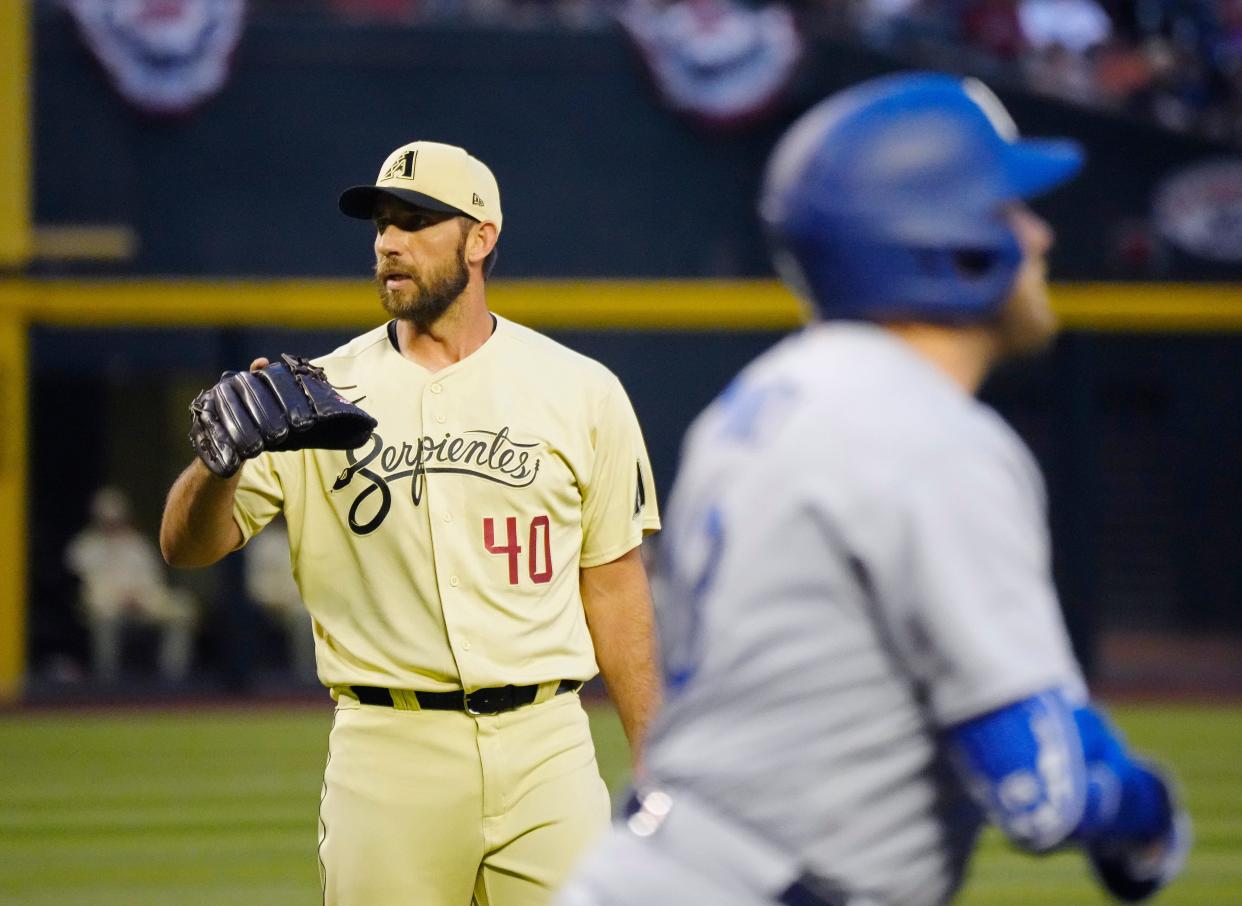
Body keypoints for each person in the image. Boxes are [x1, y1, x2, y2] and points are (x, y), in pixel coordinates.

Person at [557, 73, 1189, 906]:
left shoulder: (761, 400)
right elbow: (1045, 791)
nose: (1037, 237)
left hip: (653, 870)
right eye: (1007, 213)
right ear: (944, 241)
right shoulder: (930, 438)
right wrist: (1147, 812)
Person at [159, 140, 662, 905]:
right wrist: (215, 468)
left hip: (547, 746)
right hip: (389, 750)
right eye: (381, 224)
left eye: (418, 221)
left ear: (481, 237)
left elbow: (616, 588)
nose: (389, 242)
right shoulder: (319, 394)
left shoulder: (580, 390)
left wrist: (655, 758)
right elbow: (186, 548)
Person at [65, 487, 197, 683]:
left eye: (116, 520)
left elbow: (154, 580)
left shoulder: (138, 545)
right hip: (106, 604)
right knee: (104, 618)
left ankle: (172, 679)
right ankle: (107, 680)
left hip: (142, 601)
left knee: (183, 610)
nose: (112, 525)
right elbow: (82, 584)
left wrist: (138, 598)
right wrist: (118, 598)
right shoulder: (85, 546)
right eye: (107, 521)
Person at [242, 515, 317, 684]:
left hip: (302, 602)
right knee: (303, 617)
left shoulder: (301, 536)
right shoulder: (262, 543)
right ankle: (306, 677)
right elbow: (256, 587)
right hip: (274, 605)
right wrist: (281, 601)